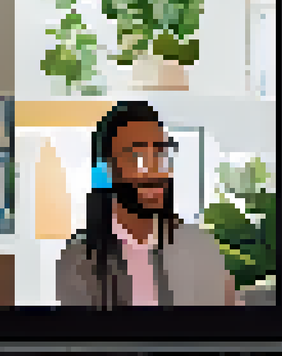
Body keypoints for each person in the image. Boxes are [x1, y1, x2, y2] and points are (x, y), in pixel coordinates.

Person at [56, 101, 239, 308]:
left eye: (161, 154)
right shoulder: (80, 259)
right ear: (108, 169)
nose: (155, 170)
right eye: (138, 156)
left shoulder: (199, 246)